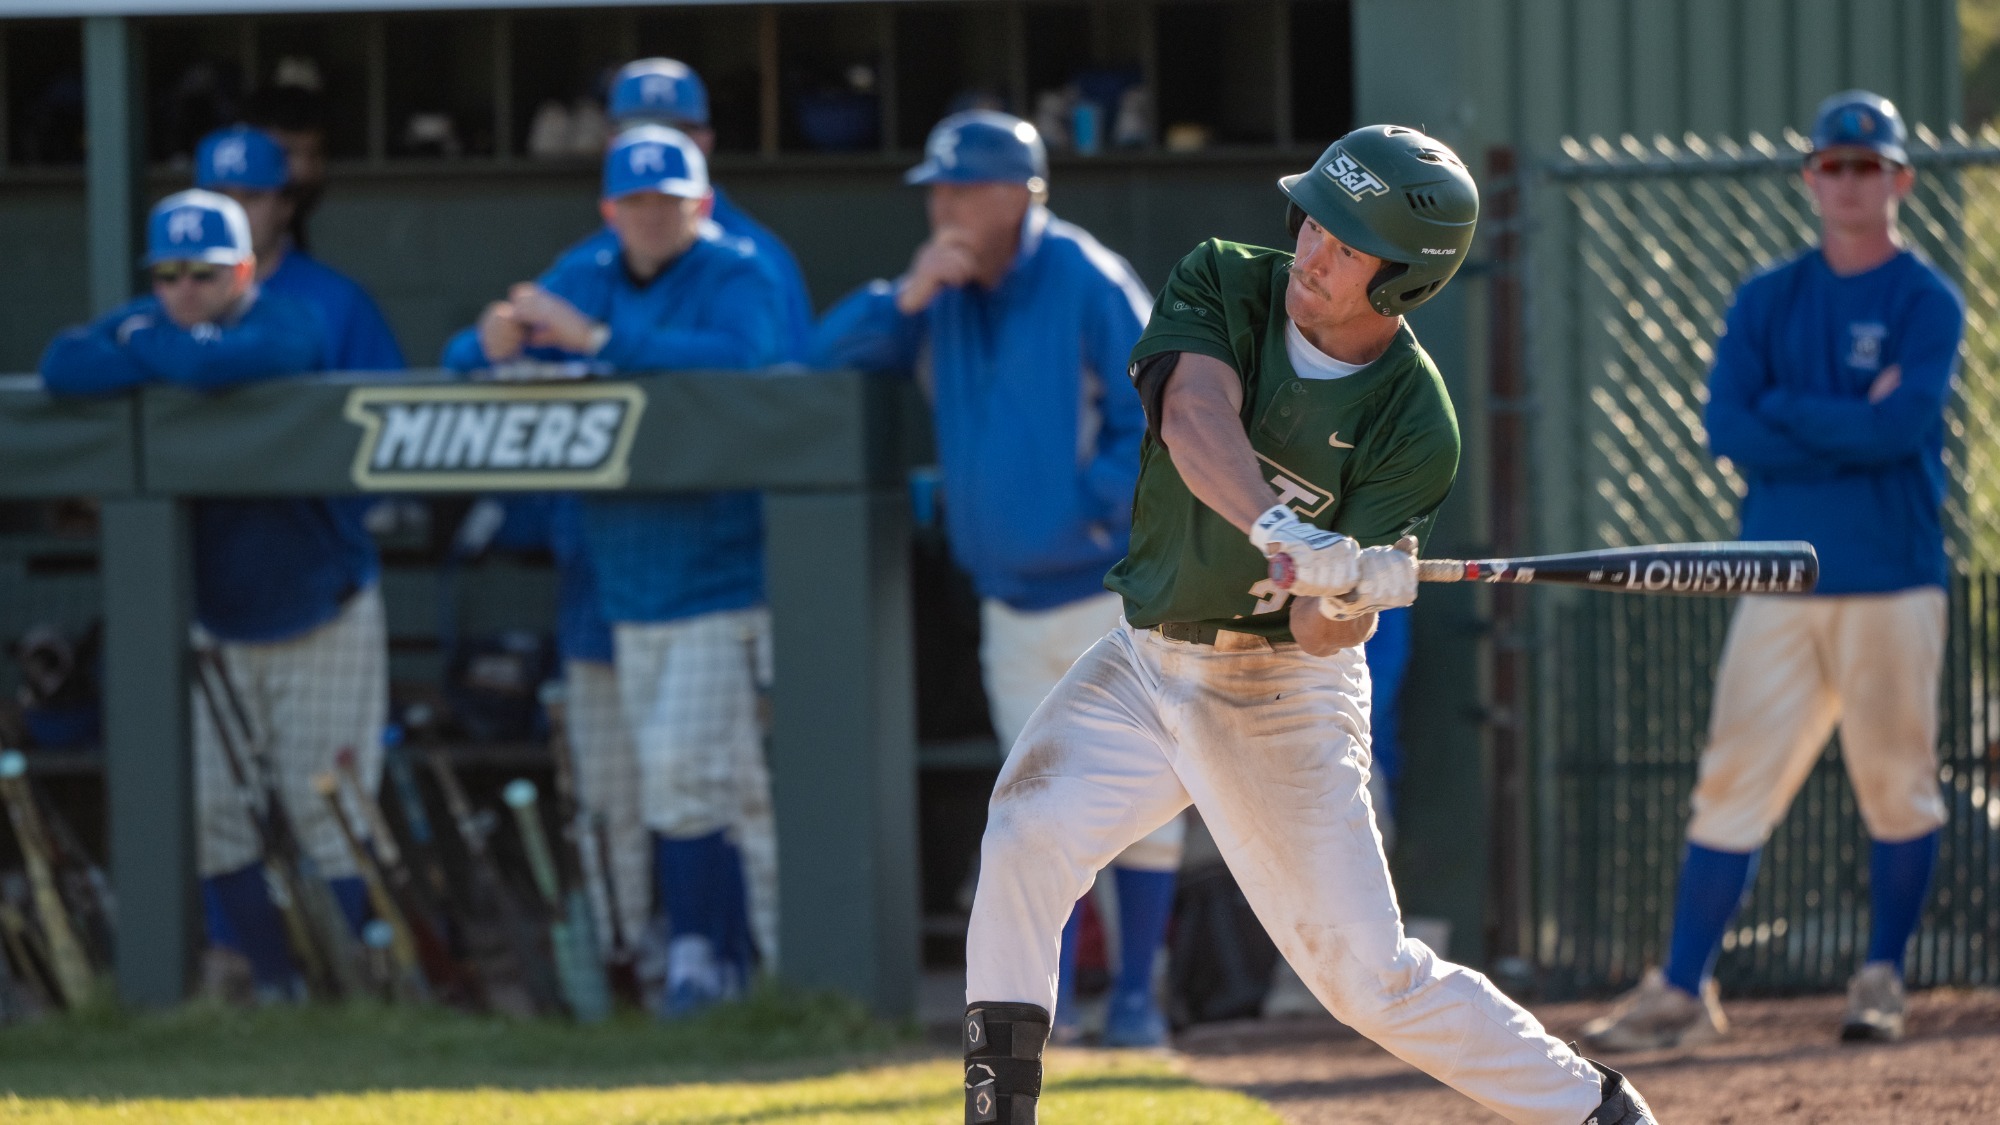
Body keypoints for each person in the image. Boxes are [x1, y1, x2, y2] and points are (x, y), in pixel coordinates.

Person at [956, 125, 1654, 1125]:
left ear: (1404, 280)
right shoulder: (1224, 281)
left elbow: (1325, 640)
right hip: (1147, 660)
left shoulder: (1415, 421)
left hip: (1276, 692)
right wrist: (1282, 526)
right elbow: (1195, 417)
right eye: (1313, 223)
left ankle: (1595, 1111)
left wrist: (1350, 590)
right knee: (1024, 829)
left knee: (1366, 981)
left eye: (1347, 244)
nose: (1312, 256)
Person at [1581, 90, 1963, 1052]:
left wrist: (1792, 416)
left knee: (1897, 782)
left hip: (1890, 573)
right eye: (1832, 166)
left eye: (1866, 166)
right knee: (1732, 779)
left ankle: (1879, 975)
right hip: (1779, 574)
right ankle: (1683, 988)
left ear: (1899, 180)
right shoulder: (1767, 297)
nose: (1848, 181)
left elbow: (1902, 428)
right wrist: (1843, 419)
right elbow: (1726, 427)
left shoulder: (1926, 299)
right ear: (1809, 178)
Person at [813, 110, 1176, 1046]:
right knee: (1036, 816)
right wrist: (904, 296)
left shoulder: (1083, 276)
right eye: (937, 191)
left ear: (1021, 193)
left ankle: (1138, 998)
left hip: (1106, 592)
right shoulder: (944, 289)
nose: (947, 208)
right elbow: (823, 366)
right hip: (1006, 601)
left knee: (1137, 802)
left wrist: (1090, 511)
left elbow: (1162, 410)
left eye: (964, 189)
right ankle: (1045, 1016)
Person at [442, 126, 788, 1016]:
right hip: (624, 577)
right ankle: (699, 961)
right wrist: (488, 342)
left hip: (721, 570)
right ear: (609, 209)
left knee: (701, 774)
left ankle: (720, 961)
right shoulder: (587, 268)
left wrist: (593, 335)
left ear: (701, 204)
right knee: (665, 781)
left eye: (667, 202)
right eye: (633, 203)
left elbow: (738, 359)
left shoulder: (737, 269)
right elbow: (464, 358)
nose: (649, 218)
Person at [40, 190, 388, 1002]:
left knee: (330, 818)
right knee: (210, 817)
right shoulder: (153, 319)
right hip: (214, 621)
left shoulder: (290, 320)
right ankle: (275, 985)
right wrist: (157, 339)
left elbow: (209, 364)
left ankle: (356, 992)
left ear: (242, 269)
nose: (184, 291)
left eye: (203, 274)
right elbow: (61, 363)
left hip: (321, 608)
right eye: (167, 275)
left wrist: (144, 343)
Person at [550, 57, 814, 360]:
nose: (653, 148)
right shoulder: (588, 264)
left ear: (705, 141)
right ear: (611, 142)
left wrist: (598, 340)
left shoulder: (755, 260)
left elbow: (779, 373)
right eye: (636, 131)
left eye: (674, 131)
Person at [194, 124, 404, 373]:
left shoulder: (339, 300)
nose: (233, 213)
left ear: (285, 206)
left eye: (252, 196)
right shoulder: (175, 297)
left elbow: (384, 403)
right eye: (220, 197)